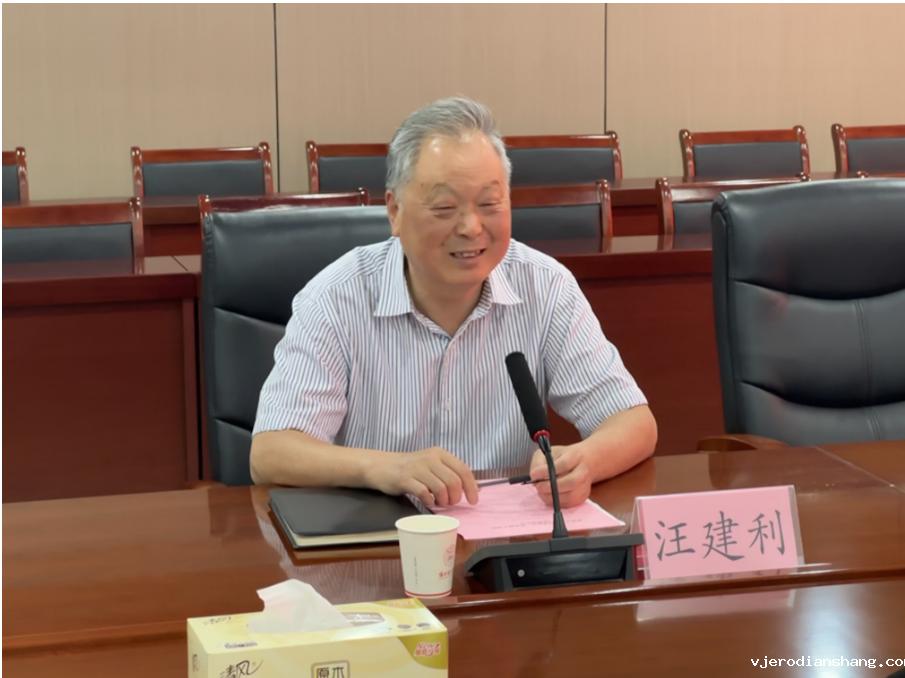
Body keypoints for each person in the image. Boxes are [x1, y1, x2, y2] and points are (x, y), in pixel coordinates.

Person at [250, 96, 657, 509]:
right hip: (379, 537)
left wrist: (585, 462)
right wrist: (387, 468)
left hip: (505, 538)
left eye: (489, 204)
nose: (471, 227)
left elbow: (634, 422)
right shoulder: (336, 298)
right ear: (394, 211)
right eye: (445, 208)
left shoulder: (546, 287)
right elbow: (270, 452)